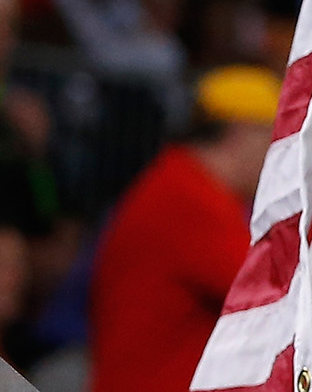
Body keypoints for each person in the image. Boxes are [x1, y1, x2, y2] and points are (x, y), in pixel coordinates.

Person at [88, 63, 281, 392]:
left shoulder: (178, 181)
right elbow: (272, 289)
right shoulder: (188, 197)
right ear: (241, 133)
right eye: (273, 139)